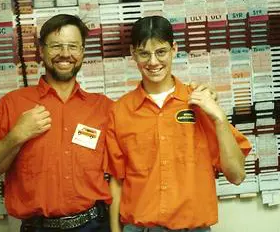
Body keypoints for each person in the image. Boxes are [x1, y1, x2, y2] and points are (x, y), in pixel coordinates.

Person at [106, 16, 252, 232]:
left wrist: (220, 118)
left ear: (174, 49)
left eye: (161, 52)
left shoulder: (201, 103)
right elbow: (117, 183)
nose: (153, 62)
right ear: (133, 53)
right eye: (144, 53)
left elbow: (237, 175)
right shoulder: (120, 111)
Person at [0, 14, 112, 232]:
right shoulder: (13, 103)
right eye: (56, 46)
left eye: (73, 46)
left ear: (83, 51)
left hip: (95, 225)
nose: (65, 54)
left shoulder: (103, 107)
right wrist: (17, 135)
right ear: (42, 50)